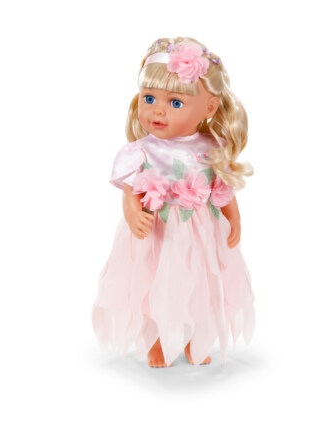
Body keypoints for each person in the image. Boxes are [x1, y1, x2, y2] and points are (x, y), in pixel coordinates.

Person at [92, 37, 255, 368]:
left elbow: (222, 188)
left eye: (175, 103)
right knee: (155, 286)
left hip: (202, 235)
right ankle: (156, 342)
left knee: (201, 286)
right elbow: (130, 192)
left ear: (209, 108)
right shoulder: (142, 151)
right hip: (157, 236)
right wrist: (133, 214)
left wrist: (234, 219)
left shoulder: (211, 147)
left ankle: (198, 340)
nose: (158, 110)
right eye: (149, 98)